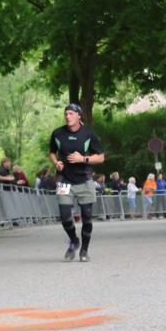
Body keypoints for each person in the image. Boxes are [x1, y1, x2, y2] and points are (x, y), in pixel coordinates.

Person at [49, 103, 105, 262]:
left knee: (87, 217)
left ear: (79, 116)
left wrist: (83, 158)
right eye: (66, 113)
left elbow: (101, 157)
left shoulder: (88, 134)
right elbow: (52, 152)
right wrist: (55, 162)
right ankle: (74, 240)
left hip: (85, 179)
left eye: (71, 113)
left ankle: (84, 251)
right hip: (64, 180)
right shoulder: (58, 133)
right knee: (65, 216)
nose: (68, 116)